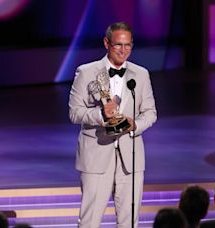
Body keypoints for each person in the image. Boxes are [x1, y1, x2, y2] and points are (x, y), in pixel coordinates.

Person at [69, 22, 157, 227]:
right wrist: (101, 114)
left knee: (130, 221)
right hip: (96, 155)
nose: (123, 50)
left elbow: (151, 112)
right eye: (118, 45)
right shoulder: (87, 72)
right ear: (106, 43)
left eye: (128, 45)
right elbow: (74, 112)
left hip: (131, 157)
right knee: (90, 219)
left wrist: (135, 125)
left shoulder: (141, 74)